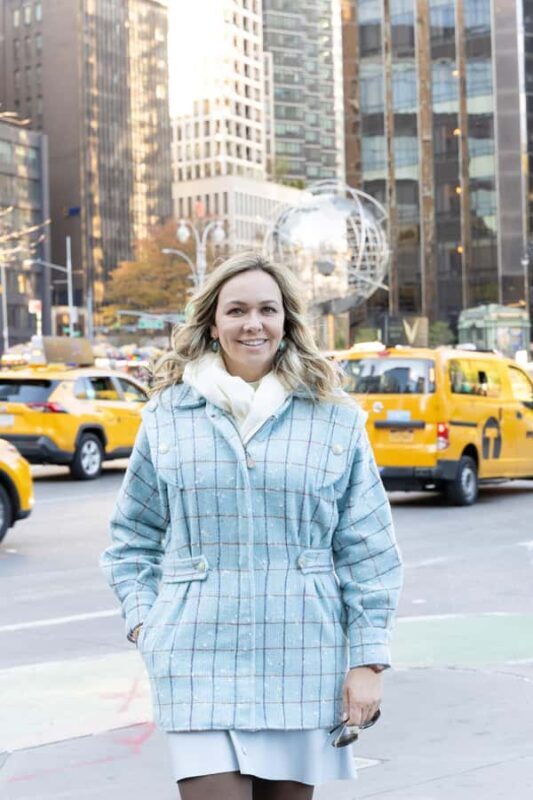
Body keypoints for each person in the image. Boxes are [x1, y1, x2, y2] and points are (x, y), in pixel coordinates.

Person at [100, 252, 403, 800]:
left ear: (286, 322)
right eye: (235, 310)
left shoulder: (334, 418)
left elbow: (368, 551)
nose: (252, 323)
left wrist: (368, 660)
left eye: (267, 309)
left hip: (304, 653)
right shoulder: (168, 415)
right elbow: (131, 540)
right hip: (196, 656)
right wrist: (150, 624)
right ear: (212, 325)